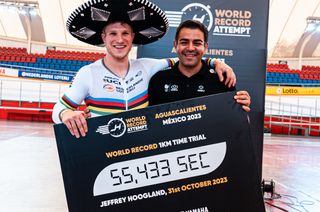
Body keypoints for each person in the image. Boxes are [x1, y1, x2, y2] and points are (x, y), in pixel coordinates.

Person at [52, 0, 237, 138]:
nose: (119, 39)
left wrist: (216, 62)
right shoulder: (88, 73)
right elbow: (58, 108)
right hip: (102, 150)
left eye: (125, 33)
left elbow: (185, 57)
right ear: (103, 37)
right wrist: (65, 113)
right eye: (113, 33)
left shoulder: (147, 66)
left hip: (141, 152)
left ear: (133, 36)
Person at [148, 20, 251, 111]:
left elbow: (230, 120)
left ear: (205, 47)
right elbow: (151, 122)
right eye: (184, 42)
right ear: (175, 45)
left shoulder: (222, 79)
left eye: (197, 43)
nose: (190, 48)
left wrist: (240, 107)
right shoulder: (158, 80)